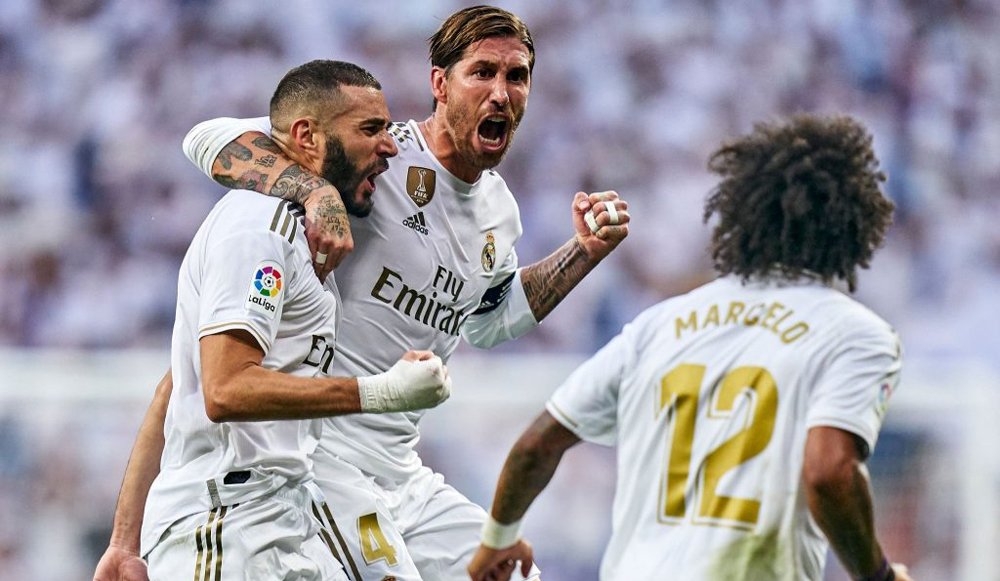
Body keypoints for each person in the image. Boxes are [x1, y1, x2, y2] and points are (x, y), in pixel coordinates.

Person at [173, 6, 630, 580]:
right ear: (440, 83)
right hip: (321, 459)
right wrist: (316, 192)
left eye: (516, 76)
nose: (501, 92)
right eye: (482, 72)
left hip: (403, 471)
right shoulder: (376, 155)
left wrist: (582, 251)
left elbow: (490, 321)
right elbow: (204, 139)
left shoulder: (499, 210)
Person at [468, 115, 915, 581]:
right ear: (856, 225)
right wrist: (879, 576)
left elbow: (536, 444)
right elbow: (828, 472)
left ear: (741, 216)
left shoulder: (661, 324)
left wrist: (497, 540)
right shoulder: (855, 334)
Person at [93, 60, 453, 581]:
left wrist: (125, 542)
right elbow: (224, 390)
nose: (389, 146)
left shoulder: (306, 233)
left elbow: (176, 385)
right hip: (225, 525)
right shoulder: (259, 228)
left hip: (281, 518)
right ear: (307, 137)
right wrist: (382, 392)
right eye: (370, 129)